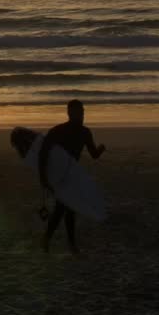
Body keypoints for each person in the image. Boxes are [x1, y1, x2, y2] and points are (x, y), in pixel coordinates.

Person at [38, 99, 106, 253]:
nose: (82, 115)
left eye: (82, 112)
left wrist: (101, 148)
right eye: (79, 112)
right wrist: (43, 177)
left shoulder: (80, 132)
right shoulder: (62, 131)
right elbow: (43, 152)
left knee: (66, 208)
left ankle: (55, 242)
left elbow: (94, 154)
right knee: (65, 207)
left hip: (70, 175)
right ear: (70, 113)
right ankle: (63, 243)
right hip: (59, 175)